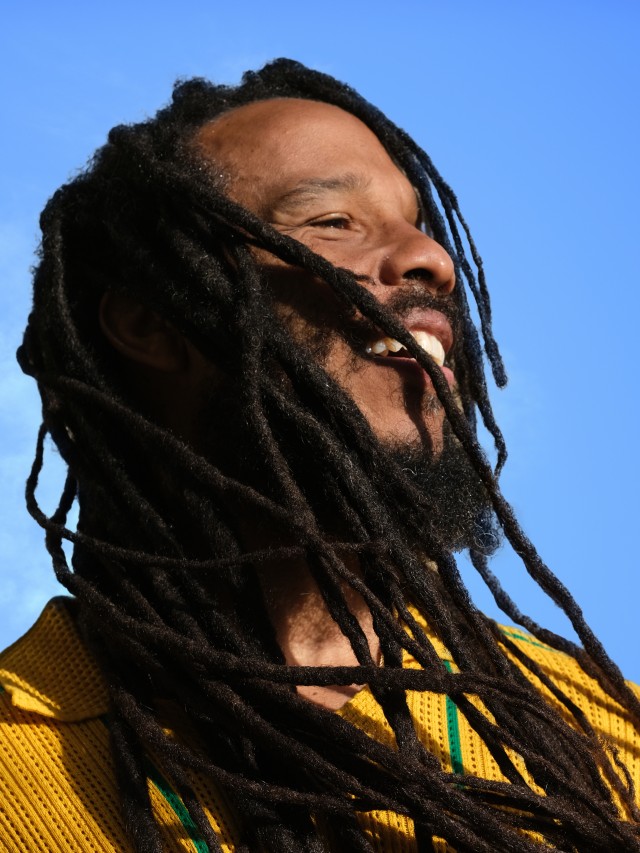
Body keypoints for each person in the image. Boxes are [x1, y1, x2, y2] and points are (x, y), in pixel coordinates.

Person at [1, 58, 639, 852]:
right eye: (334, 221)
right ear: (154, 323)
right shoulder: (19, 760)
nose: (431, 259)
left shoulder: (606, 744)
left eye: (417, 222)